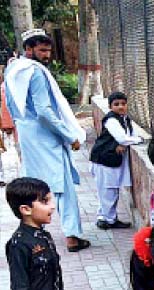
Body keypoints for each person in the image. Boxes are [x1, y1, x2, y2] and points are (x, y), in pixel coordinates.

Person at [3, 29, 90, 252]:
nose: (46, 55)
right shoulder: (34, 72)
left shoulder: (13, 69)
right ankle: (72, 236)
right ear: (29, 49)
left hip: (28, 137)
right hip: (44, 135)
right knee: (62, 188)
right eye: (42, 50)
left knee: (35, 186)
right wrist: (70, 135)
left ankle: (34, 232)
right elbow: (44, 111)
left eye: (48, 50)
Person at [90, 91, 142, 229]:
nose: (120, 107)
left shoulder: (124, 119)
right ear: (110, 106)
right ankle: (108, 219)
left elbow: (127, 136)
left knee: (109, 190)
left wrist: (126, 141)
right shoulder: (112, 120)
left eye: (123, 104)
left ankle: (105, 217)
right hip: (104, 160)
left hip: (109, 160)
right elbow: (123, 138)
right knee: (108, 190)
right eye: (116, 104)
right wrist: (138, 140)